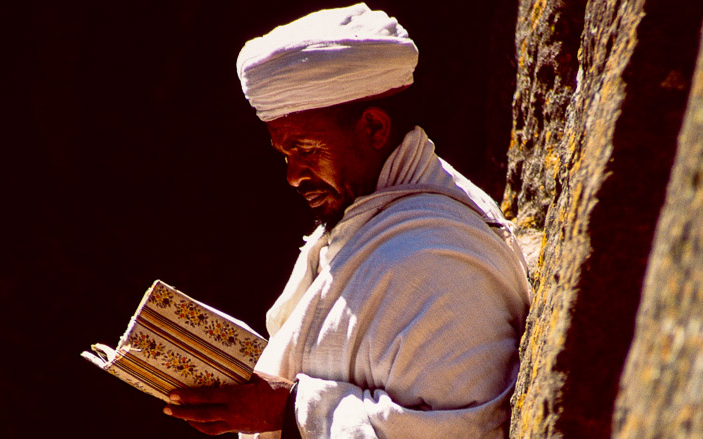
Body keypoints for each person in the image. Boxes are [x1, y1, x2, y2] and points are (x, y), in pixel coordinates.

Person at [162, 4, 530, 438]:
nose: (293, 175)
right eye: (284, 154)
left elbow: (463, 432)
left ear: (373, 128)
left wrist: (287, 411)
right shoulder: (365, 219)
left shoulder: (438, 261)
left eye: (306, 149)